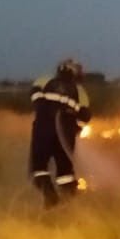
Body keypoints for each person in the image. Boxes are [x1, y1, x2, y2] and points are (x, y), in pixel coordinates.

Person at [29, 58, 92, 206]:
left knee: (39, 167)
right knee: (65, 170)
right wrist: (76, 129)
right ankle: (71, 203)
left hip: (43, 129)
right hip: (66, 133)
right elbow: (85, 116)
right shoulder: (80, 91)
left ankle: (50, 198)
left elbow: (34, 95)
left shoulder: (44, 80)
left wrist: (44, 109)